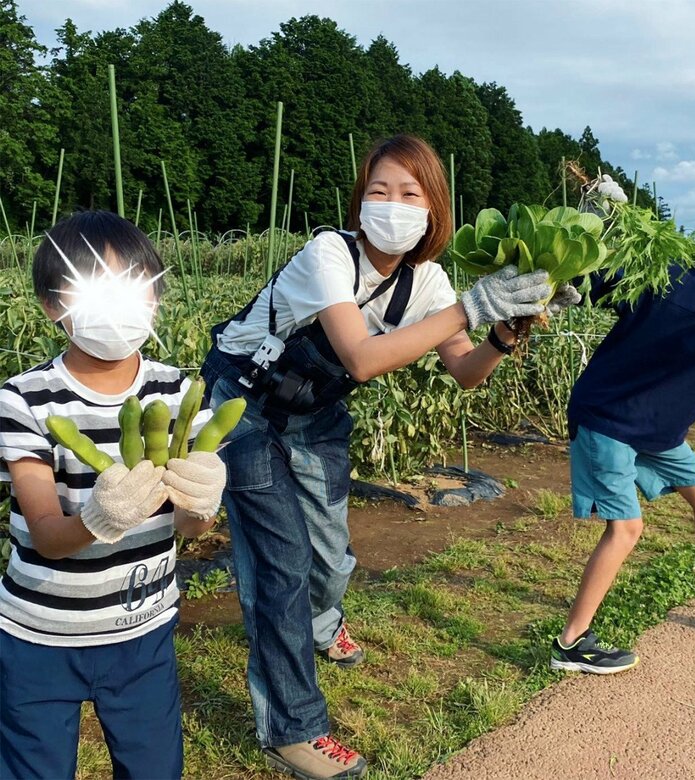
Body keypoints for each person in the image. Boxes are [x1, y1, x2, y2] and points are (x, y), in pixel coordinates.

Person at [200, 133, 578, 779]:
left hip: (315, 414)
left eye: (410, 193)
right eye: (379, 191)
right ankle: (293, 730)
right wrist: (472, 303)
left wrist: (502, 333)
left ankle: (322, 622)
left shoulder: (426, 280)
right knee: (280, 568)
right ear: (359, 202)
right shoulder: (329, 253)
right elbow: (362, 358)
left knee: (330, 553)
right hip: (247, 407)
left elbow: (464, 371)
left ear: (433, 209)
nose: (393, 205)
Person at [0, 211, 226, 779]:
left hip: (142, 631)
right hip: (39, 635)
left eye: (133, 282)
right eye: (94, 284)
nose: (117, 301)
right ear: (55, 305)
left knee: (153, 770)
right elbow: (49, 537)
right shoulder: (23, 400)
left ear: (154, 294)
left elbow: (188, 527)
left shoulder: (178, 392)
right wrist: (101, 516)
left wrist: (202, 506)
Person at [551, 197, 695, 675]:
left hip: (661, 431)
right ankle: (571, 643)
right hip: (609, 417)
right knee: (627, 528)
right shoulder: (662, 274)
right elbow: (585, 279)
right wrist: (578, 247)